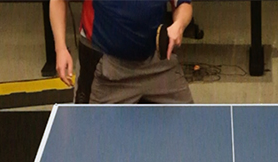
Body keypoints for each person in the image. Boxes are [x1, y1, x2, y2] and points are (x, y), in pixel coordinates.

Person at [49, 0, 193, 104]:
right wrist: (60, 48)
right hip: (106, 67)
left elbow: (183, 4)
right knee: (89, 133)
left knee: (186, 125)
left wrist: (179, 24)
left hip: (156, 64)